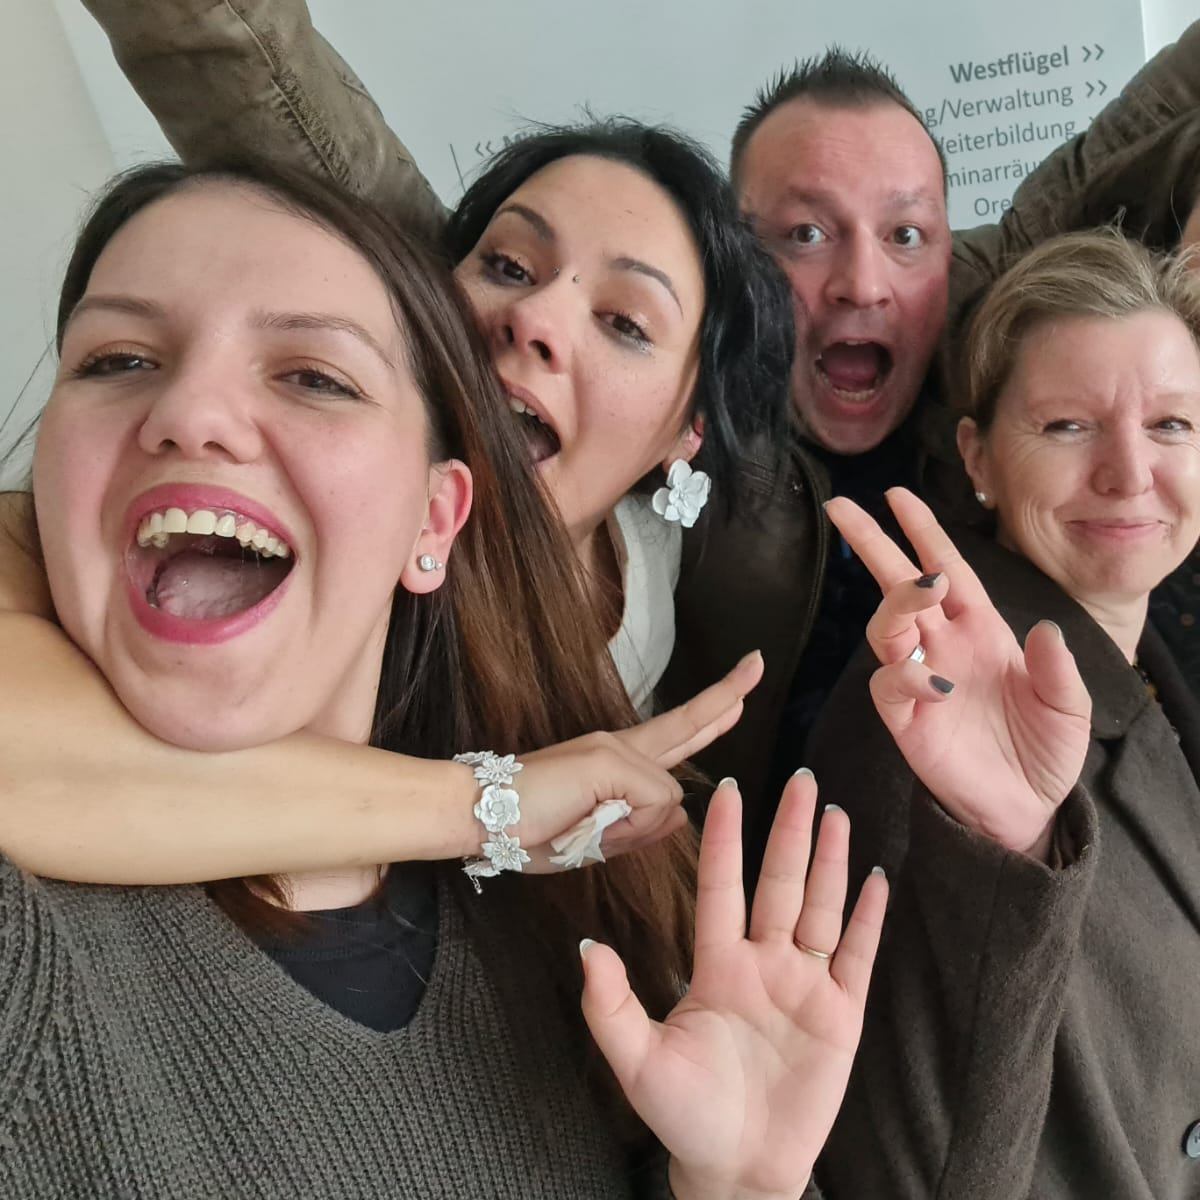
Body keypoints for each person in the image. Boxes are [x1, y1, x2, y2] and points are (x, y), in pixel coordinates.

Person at [1, 157, 887, 1198]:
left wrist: (737, 1186)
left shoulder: (585, 913)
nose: (190, 411)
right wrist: (494, 805)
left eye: (314, 377)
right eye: (115, 360)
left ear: (436, 512)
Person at [662, 34, 1200, 874]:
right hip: (708, 893)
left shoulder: (969, 335)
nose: (863, 282)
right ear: (735, 263)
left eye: (907, 233)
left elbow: (1116, 147)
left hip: (975, 866)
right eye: (805, 232)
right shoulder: (672, 396)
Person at [805, 231, 1200, 1198]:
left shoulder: (1151, 657)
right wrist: (1009, 849)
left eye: (1172, 425)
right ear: (977, 456)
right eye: (1067, 426)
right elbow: (910, 1173)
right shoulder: (924, 711)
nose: (1129, 472)